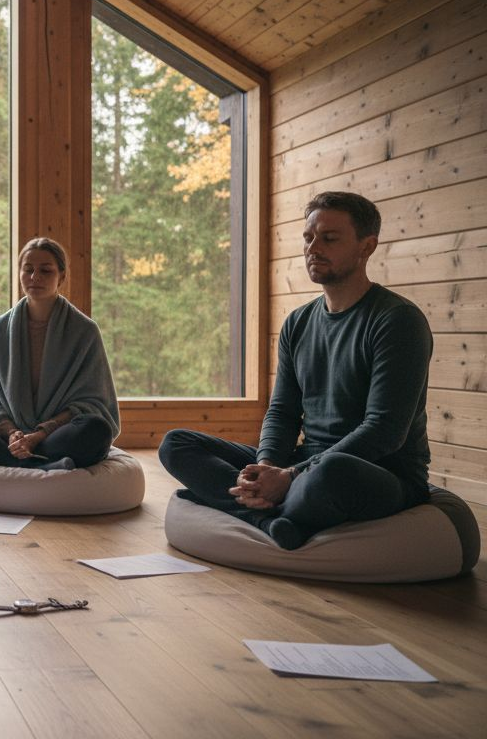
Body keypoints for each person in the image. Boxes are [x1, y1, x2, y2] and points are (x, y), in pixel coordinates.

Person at [159, 191, 433, 550]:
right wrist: (266, 467)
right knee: (176, 444)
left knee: (330, 473)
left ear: (366, 247)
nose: (313, 248)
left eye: (329, 238)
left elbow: (384, 431)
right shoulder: (298, 323)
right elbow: (282, 412)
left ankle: (240, 505)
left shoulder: (397, 321)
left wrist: (290, 476)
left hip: (375, 471)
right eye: (308, 237)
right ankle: (270, 519)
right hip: (304, 462)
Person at [0, 237, 118, 470]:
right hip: (6, 436)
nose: (34, 277)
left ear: (61, 277)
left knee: (97, 429)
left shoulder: (84, 331)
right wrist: (12, 433)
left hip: (55, 436)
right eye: (28, 269)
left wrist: (39, 434)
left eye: (45, 270)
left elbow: (93, 402)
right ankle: (38, 464)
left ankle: (10, 460)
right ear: (19, 273)